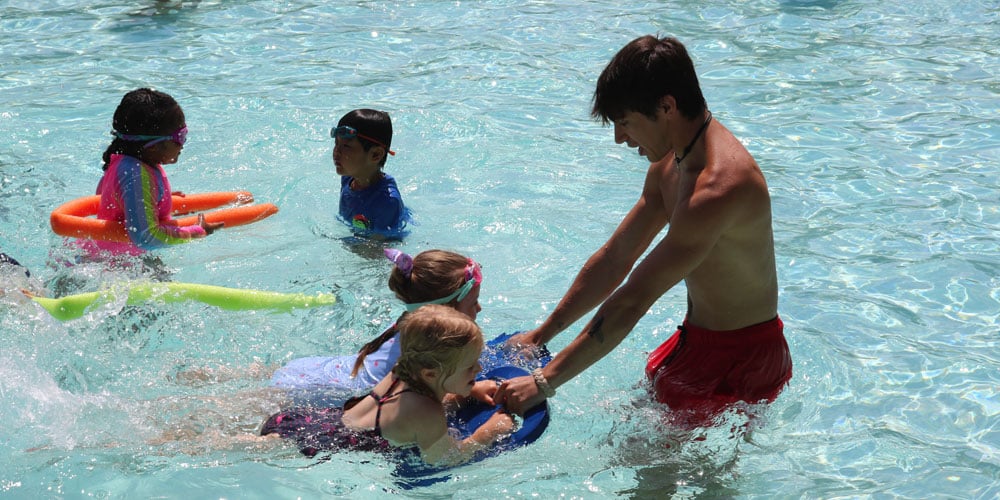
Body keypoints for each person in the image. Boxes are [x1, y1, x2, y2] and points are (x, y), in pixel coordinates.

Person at [496, 35, 792, 426]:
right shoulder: (670, 165)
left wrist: (544, 382)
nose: (620, 137)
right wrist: (540, 337)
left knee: (665, 476)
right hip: (695, 342)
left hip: (741, 363)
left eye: (625, 122)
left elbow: (634, 299)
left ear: (666, 106)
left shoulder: (719, 188)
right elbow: (616, 258)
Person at [261, 304, 515, 466]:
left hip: (302, 421)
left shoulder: (401, 371)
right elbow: (444, 459)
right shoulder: (428, 413)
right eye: (470, 367)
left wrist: (466, 392)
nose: (479, 370)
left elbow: (411, 406)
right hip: (316, 448)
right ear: (430, 373)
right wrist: (490, 432)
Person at [268, 248, 484, 395]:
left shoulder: (409, 326)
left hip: (314, 368)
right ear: (444, 311)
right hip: (306, 392)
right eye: (473, 303)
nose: (479, 308)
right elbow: (426, 401)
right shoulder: (426, 349)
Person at [88, 88, 222, 256]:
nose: (183, 144)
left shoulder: (124, 163)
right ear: (153, 146)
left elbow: (114, 203)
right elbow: (145, 237)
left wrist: (154, 201)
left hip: (114, 256)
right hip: (114, 266)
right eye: (180, 136)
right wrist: (196, 232)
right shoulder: (135, 174)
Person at [332, 109, 411, 238]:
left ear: (375, 154)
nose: (336, 152)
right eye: (336, 143)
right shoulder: (348, 178)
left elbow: (376, 251)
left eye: (346, 146)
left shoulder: (387, 203)